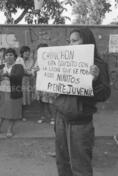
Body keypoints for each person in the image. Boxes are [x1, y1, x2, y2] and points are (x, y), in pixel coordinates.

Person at [54, 28, 110, 176]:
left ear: (86, 40)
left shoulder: (98, 64)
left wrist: (95, 80)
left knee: (80, 165)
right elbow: (55, 83)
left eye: (75, 40)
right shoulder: (65, 62)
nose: (71, 44)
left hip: (80, 121)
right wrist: (44, 74)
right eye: (69, 41)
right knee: (62, 162)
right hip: (60, 117)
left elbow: (105, 94)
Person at [0, 48, 24, 137]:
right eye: (7, 55)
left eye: (11, 55)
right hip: (2, 92)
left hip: (14, 92)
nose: (8, 57)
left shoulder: (18, 66)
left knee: (12, 112)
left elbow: (18, 77)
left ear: (15, 57)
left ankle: (10, 130)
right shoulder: (1, 66)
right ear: (4, 57)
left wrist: (8, 75)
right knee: (1, 111)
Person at [34, 43, 57, 125]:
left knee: (51, 102)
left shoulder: (52, 59)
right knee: (41, 102)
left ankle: (53, 118)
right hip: (40, 84)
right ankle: (43, 116)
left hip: (49, 84)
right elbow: (34, 72)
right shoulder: (38, 60)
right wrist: (35, 71)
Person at [16, 46, 35, 121]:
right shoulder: (19, 60)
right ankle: (18, 114)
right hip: (19, 81)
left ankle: (22, 115)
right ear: (22, 53)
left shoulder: (31, 60)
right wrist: (29, 72)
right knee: (19, 98)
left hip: (27, 82)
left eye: (28, 52)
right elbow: (21, 71)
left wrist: (28, 72)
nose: (27, 53)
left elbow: (32, 71)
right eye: (25, 52)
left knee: (25, 98)